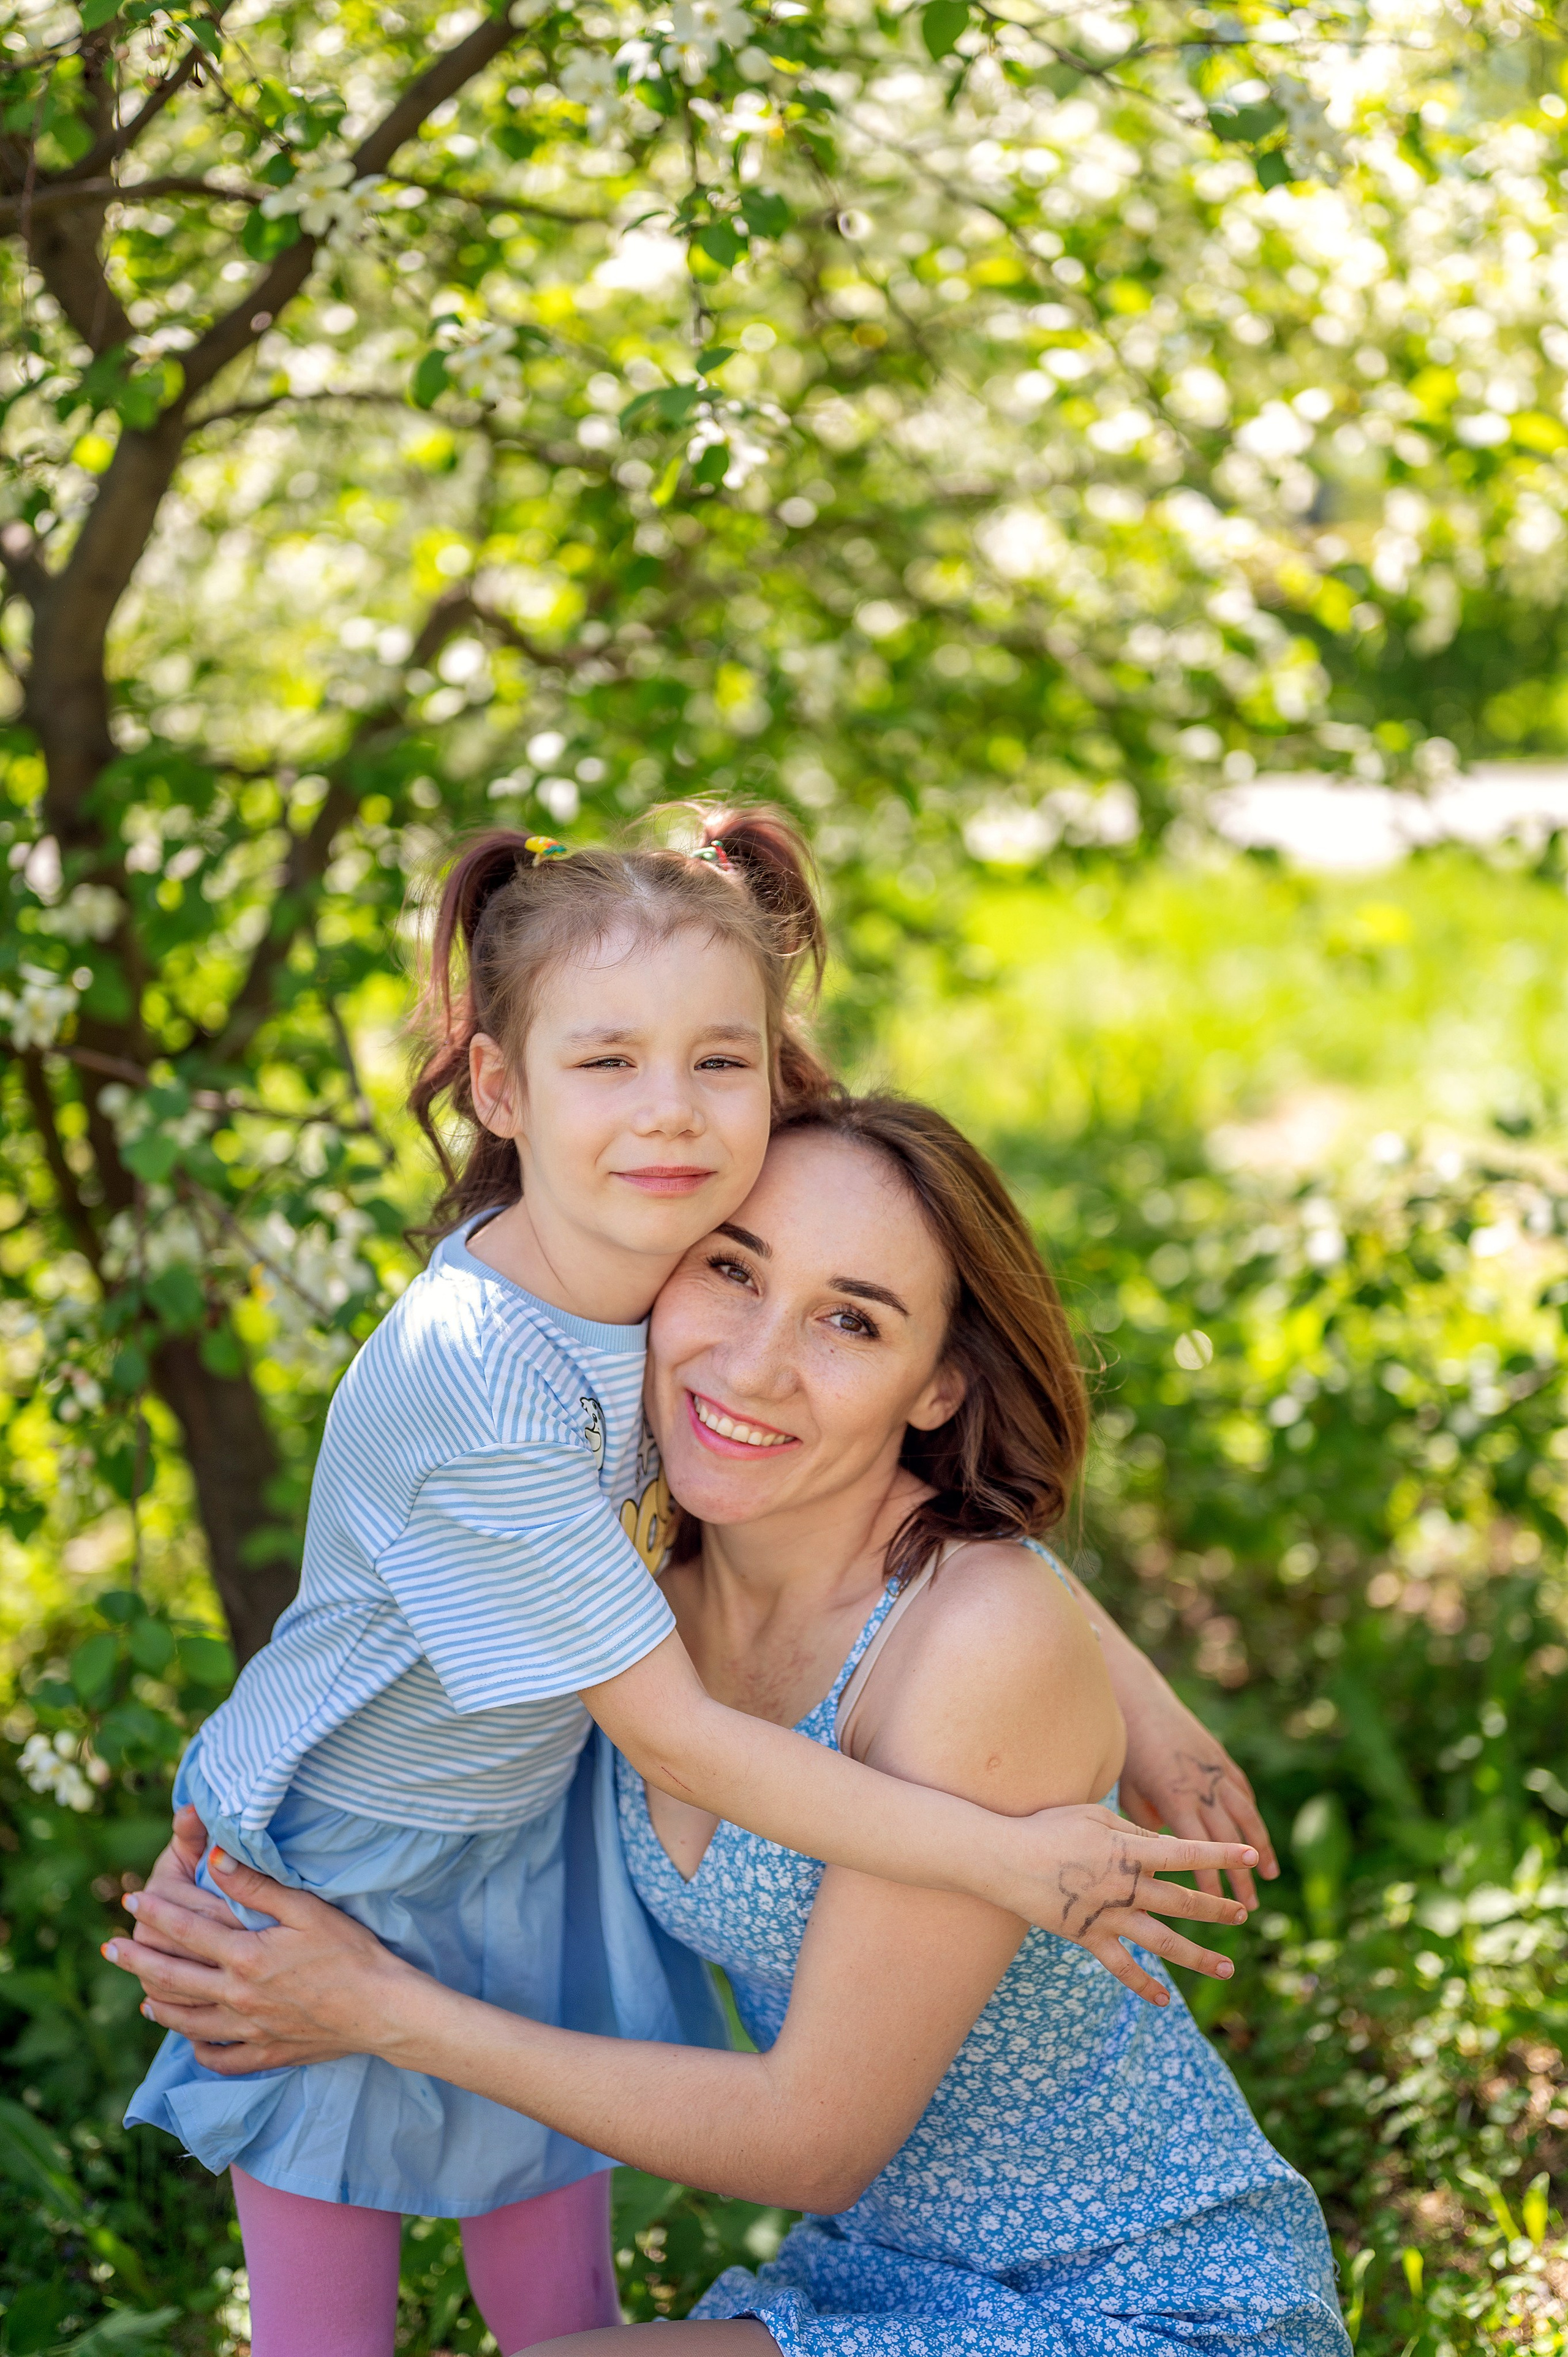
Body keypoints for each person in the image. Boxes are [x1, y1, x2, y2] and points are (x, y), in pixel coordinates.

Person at [111, 1095, 1343, 2357]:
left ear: (939, 1385)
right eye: (732, 1269)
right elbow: (377, 1679)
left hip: (1134, 2297)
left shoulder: (976, 1643)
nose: (753, 1366)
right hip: (869, 2275)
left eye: (851, 1320)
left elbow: (813, 2140)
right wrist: (245, 1837)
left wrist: (376, 2007)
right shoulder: (631, 1571)